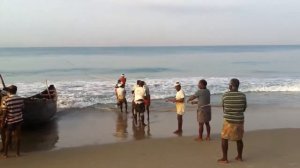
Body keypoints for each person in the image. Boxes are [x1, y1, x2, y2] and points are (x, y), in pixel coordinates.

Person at [218, 78, 247, 163]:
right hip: (239, 121)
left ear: (231, 85)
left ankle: (225, 158)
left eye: (229, 84)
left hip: (228, 121)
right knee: (239, 139)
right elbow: (244, 108)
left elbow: (224, 108)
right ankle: (239, 156)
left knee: (224, 138)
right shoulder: (242, 95)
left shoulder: (225, 95)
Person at [1, 85, 24, 158]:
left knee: (7, 137)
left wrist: (3, 122)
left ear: (9, 91)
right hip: (19, 120)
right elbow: (23, 108)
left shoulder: (6, 100)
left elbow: (5, 113)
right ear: (16, 91)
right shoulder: (20, 98)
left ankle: (5, 154)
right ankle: (17, 153)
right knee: (18, 137)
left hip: (10, 121)